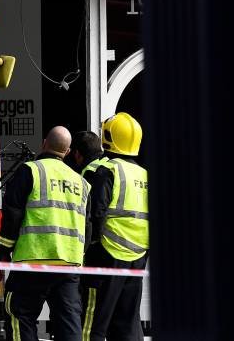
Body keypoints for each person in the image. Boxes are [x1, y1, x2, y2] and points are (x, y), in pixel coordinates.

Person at [0, 126, 89, 341]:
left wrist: (3, 251)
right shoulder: (82, 182)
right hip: (69, 264)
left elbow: (12, 216)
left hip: (33, 260)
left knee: (20, 315)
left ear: (44, 143)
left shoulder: (30, 171)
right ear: (67, 152)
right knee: (69, 323)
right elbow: (89, 225)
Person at [80, 112, 149, 341]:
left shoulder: (108, 170)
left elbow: (95, 213)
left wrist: (92, 245)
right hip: (138, 256)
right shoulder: (144, 174)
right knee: (127, 324)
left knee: (94, 324)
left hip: (107, 256)